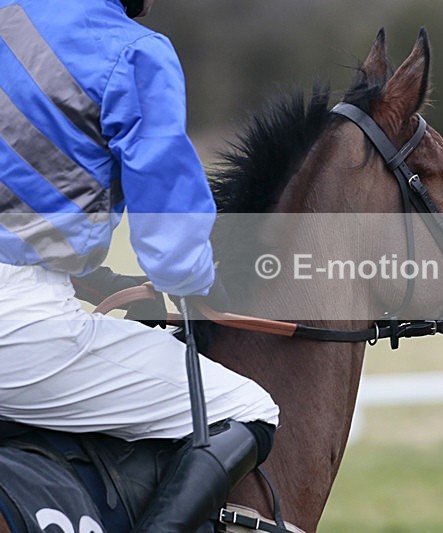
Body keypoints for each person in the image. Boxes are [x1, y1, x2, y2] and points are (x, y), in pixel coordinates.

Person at [0, 0, 279, 530]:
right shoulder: (132, 52)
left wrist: (95, 277)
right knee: (246, 409)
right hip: (18, 327)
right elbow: (171, 240)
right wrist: (199, 284)